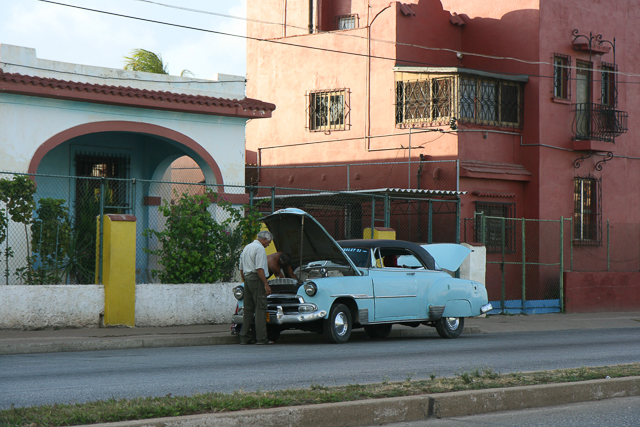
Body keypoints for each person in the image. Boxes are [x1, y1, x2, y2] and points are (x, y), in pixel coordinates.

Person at [238, 230, 274, 345]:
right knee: (260, 307)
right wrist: (266, 284)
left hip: (248, 278)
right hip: (257, 278)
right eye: (268, 242)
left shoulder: (247, 247)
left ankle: (244, 337)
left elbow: (241, 268)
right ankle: (262, 338)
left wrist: (245, 281)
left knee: (248, 308)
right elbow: (259, 268)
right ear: (264, 239)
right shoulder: (259, 249)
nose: (268, 244)